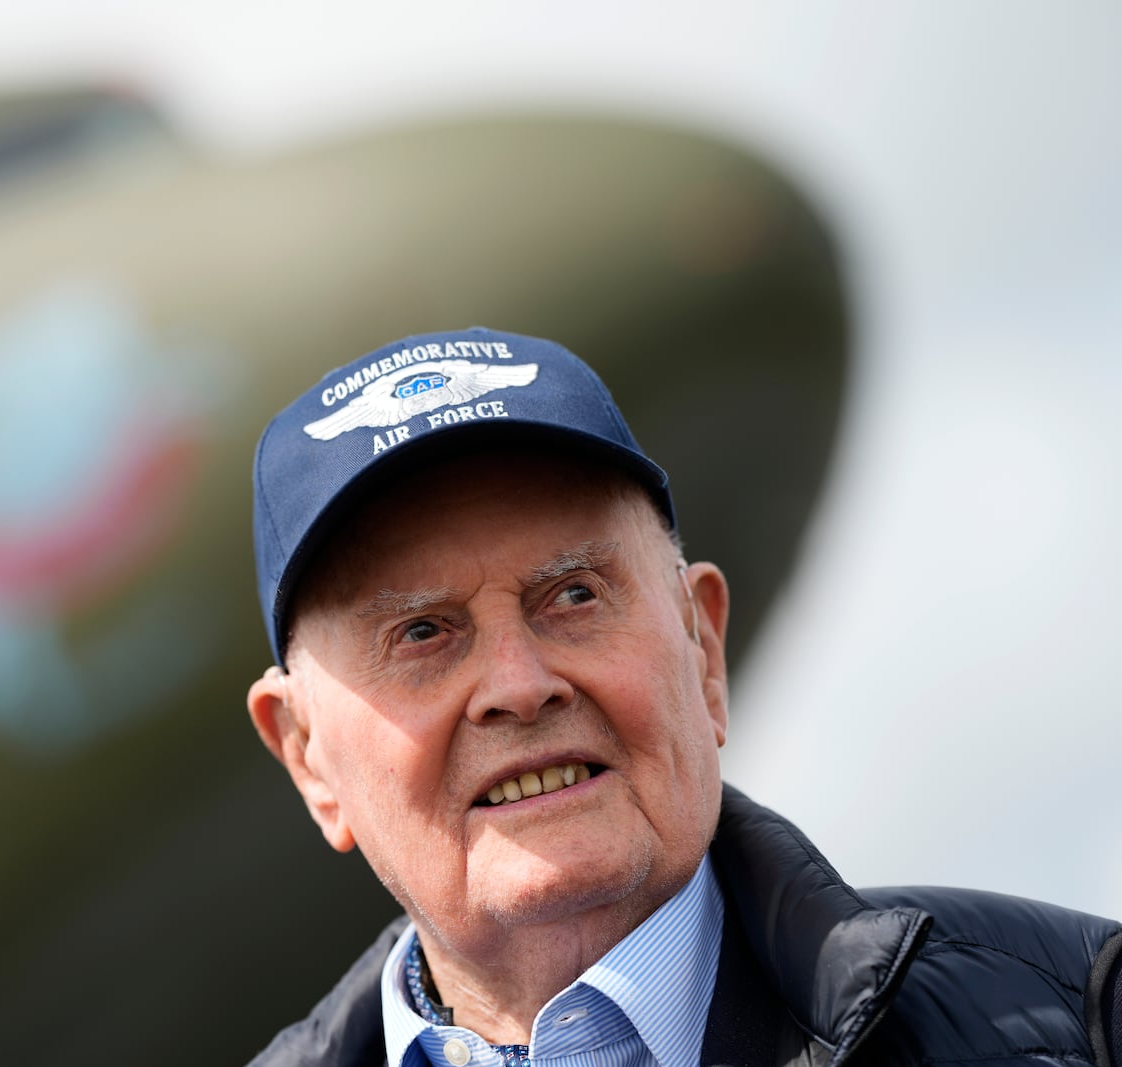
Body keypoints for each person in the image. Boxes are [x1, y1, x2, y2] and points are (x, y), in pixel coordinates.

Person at [243, 327, 1122, 1067]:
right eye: (424, 633)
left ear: (702, 648)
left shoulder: (1084, 1018)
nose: (518, 686)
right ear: (307, 755)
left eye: (575, 595)